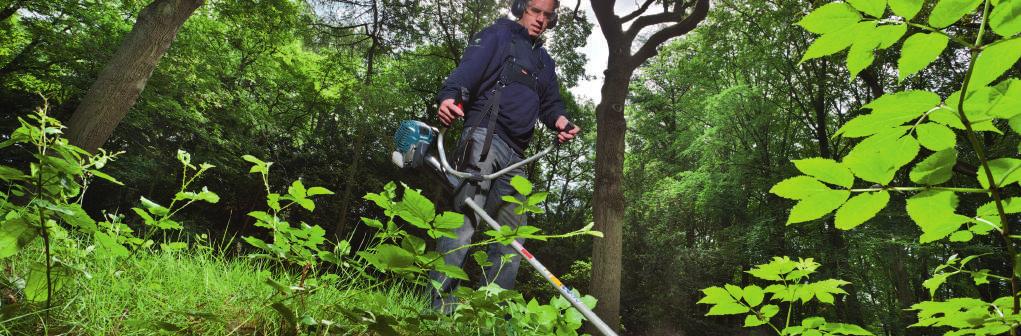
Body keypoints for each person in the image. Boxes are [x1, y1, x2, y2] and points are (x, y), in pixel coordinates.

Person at [429, 0, 580, 312]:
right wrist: (449, 97)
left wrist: (562, 122)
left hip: (517, 157)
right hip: (484, 137)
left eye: (547, 15)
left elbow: (552, 104)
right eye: (535, 11)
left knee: (511, 240)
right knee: (462, 224)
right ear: (521, 8)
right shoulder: (498, 35)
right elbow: (467, 71)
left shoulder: (544, 63)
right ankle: (439, 315)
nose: (540, 19)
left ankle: (488, 317)